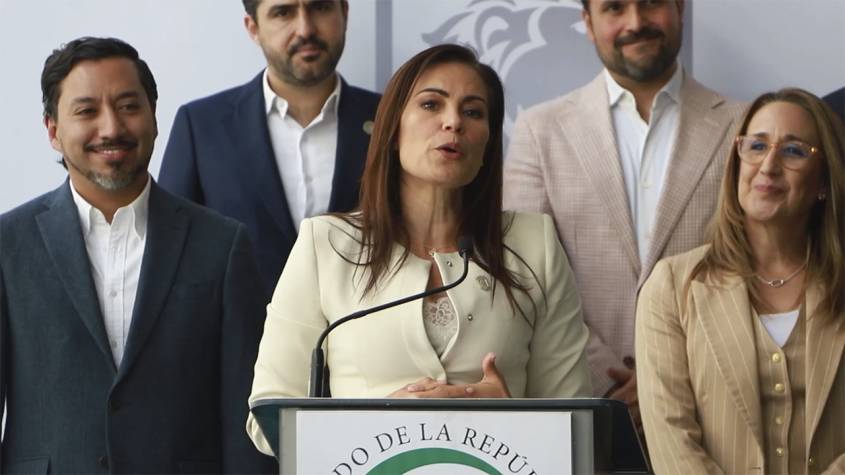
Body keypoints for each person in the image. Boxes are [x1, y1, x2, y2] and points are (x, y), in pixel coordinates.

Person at [246, 44, 592, 455]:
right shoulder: (324, 245)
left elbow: (578, 429)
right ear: (392, 130)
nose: (453, 122)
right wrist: (380, 423)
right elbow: (268, 421)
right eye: (431, 104)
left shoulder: (535, 244)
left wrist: (511, 414)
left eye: (473, 112)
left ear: (488, 144)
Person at [0, 37, 275, 473]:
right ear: (53, 130)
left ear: (154, 116)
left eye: (129, 106)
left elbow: (247, 418)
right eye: (86, 111)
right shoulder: (9, 244)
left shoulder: (222, 244)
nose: (111, 128)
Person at [503, 0, 746, 416]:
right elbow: (524, 275)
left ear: (680, 9)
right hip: (584, 401)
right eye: (615, 8)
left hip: (714, 403)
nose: (636, 22)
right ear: (588, 22)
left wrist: (671, 377)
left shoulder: (744, 126)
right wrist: (606, 379)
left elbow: (757, 267)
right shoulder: (540, 132)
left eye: (651, 3)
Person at [637, 88, 845, 474]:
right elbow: (672, 443)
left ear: (822, 182)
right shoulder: (671, 287)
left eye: (794, 151)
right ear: (736, 164)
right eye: (757, 146)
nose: (769, 166)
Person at [159, 0, 381, 296]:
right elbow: (171, 252)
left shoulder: (392, 119)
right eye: (283, 12)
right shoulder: (201, 126)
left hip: (368, 321)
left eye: (320, 8)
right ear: (253, 27)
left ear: (345, 14)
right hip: (242, 324)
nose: (305, 29)